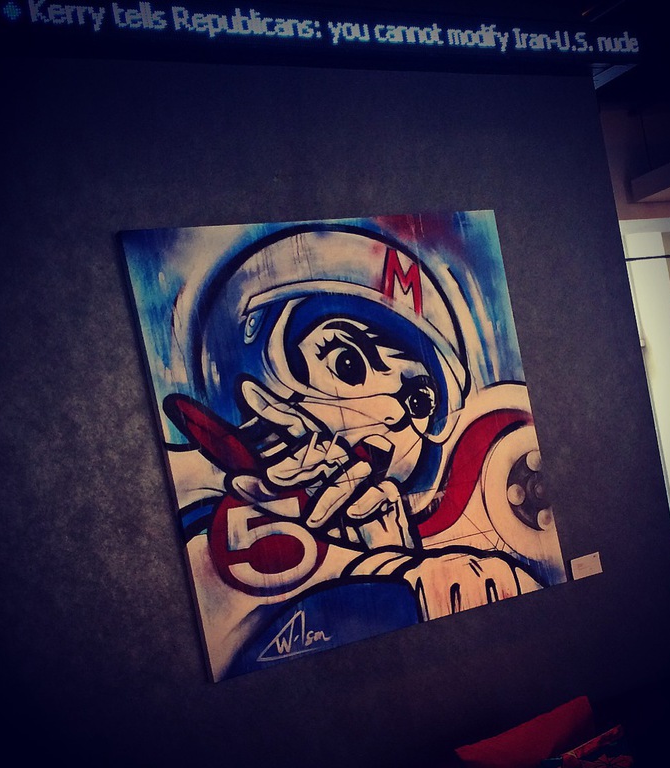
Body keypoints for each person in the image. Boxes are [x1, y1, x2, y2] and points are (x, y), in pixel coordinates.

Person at [158, 225, 563, 680]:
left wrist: (394, 562)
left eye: (417, 400)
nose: (392, 413)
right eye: (347, 363)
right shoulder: (199, 503)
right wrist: (395, 575)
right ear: (259, 368)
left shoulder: (383, 520)